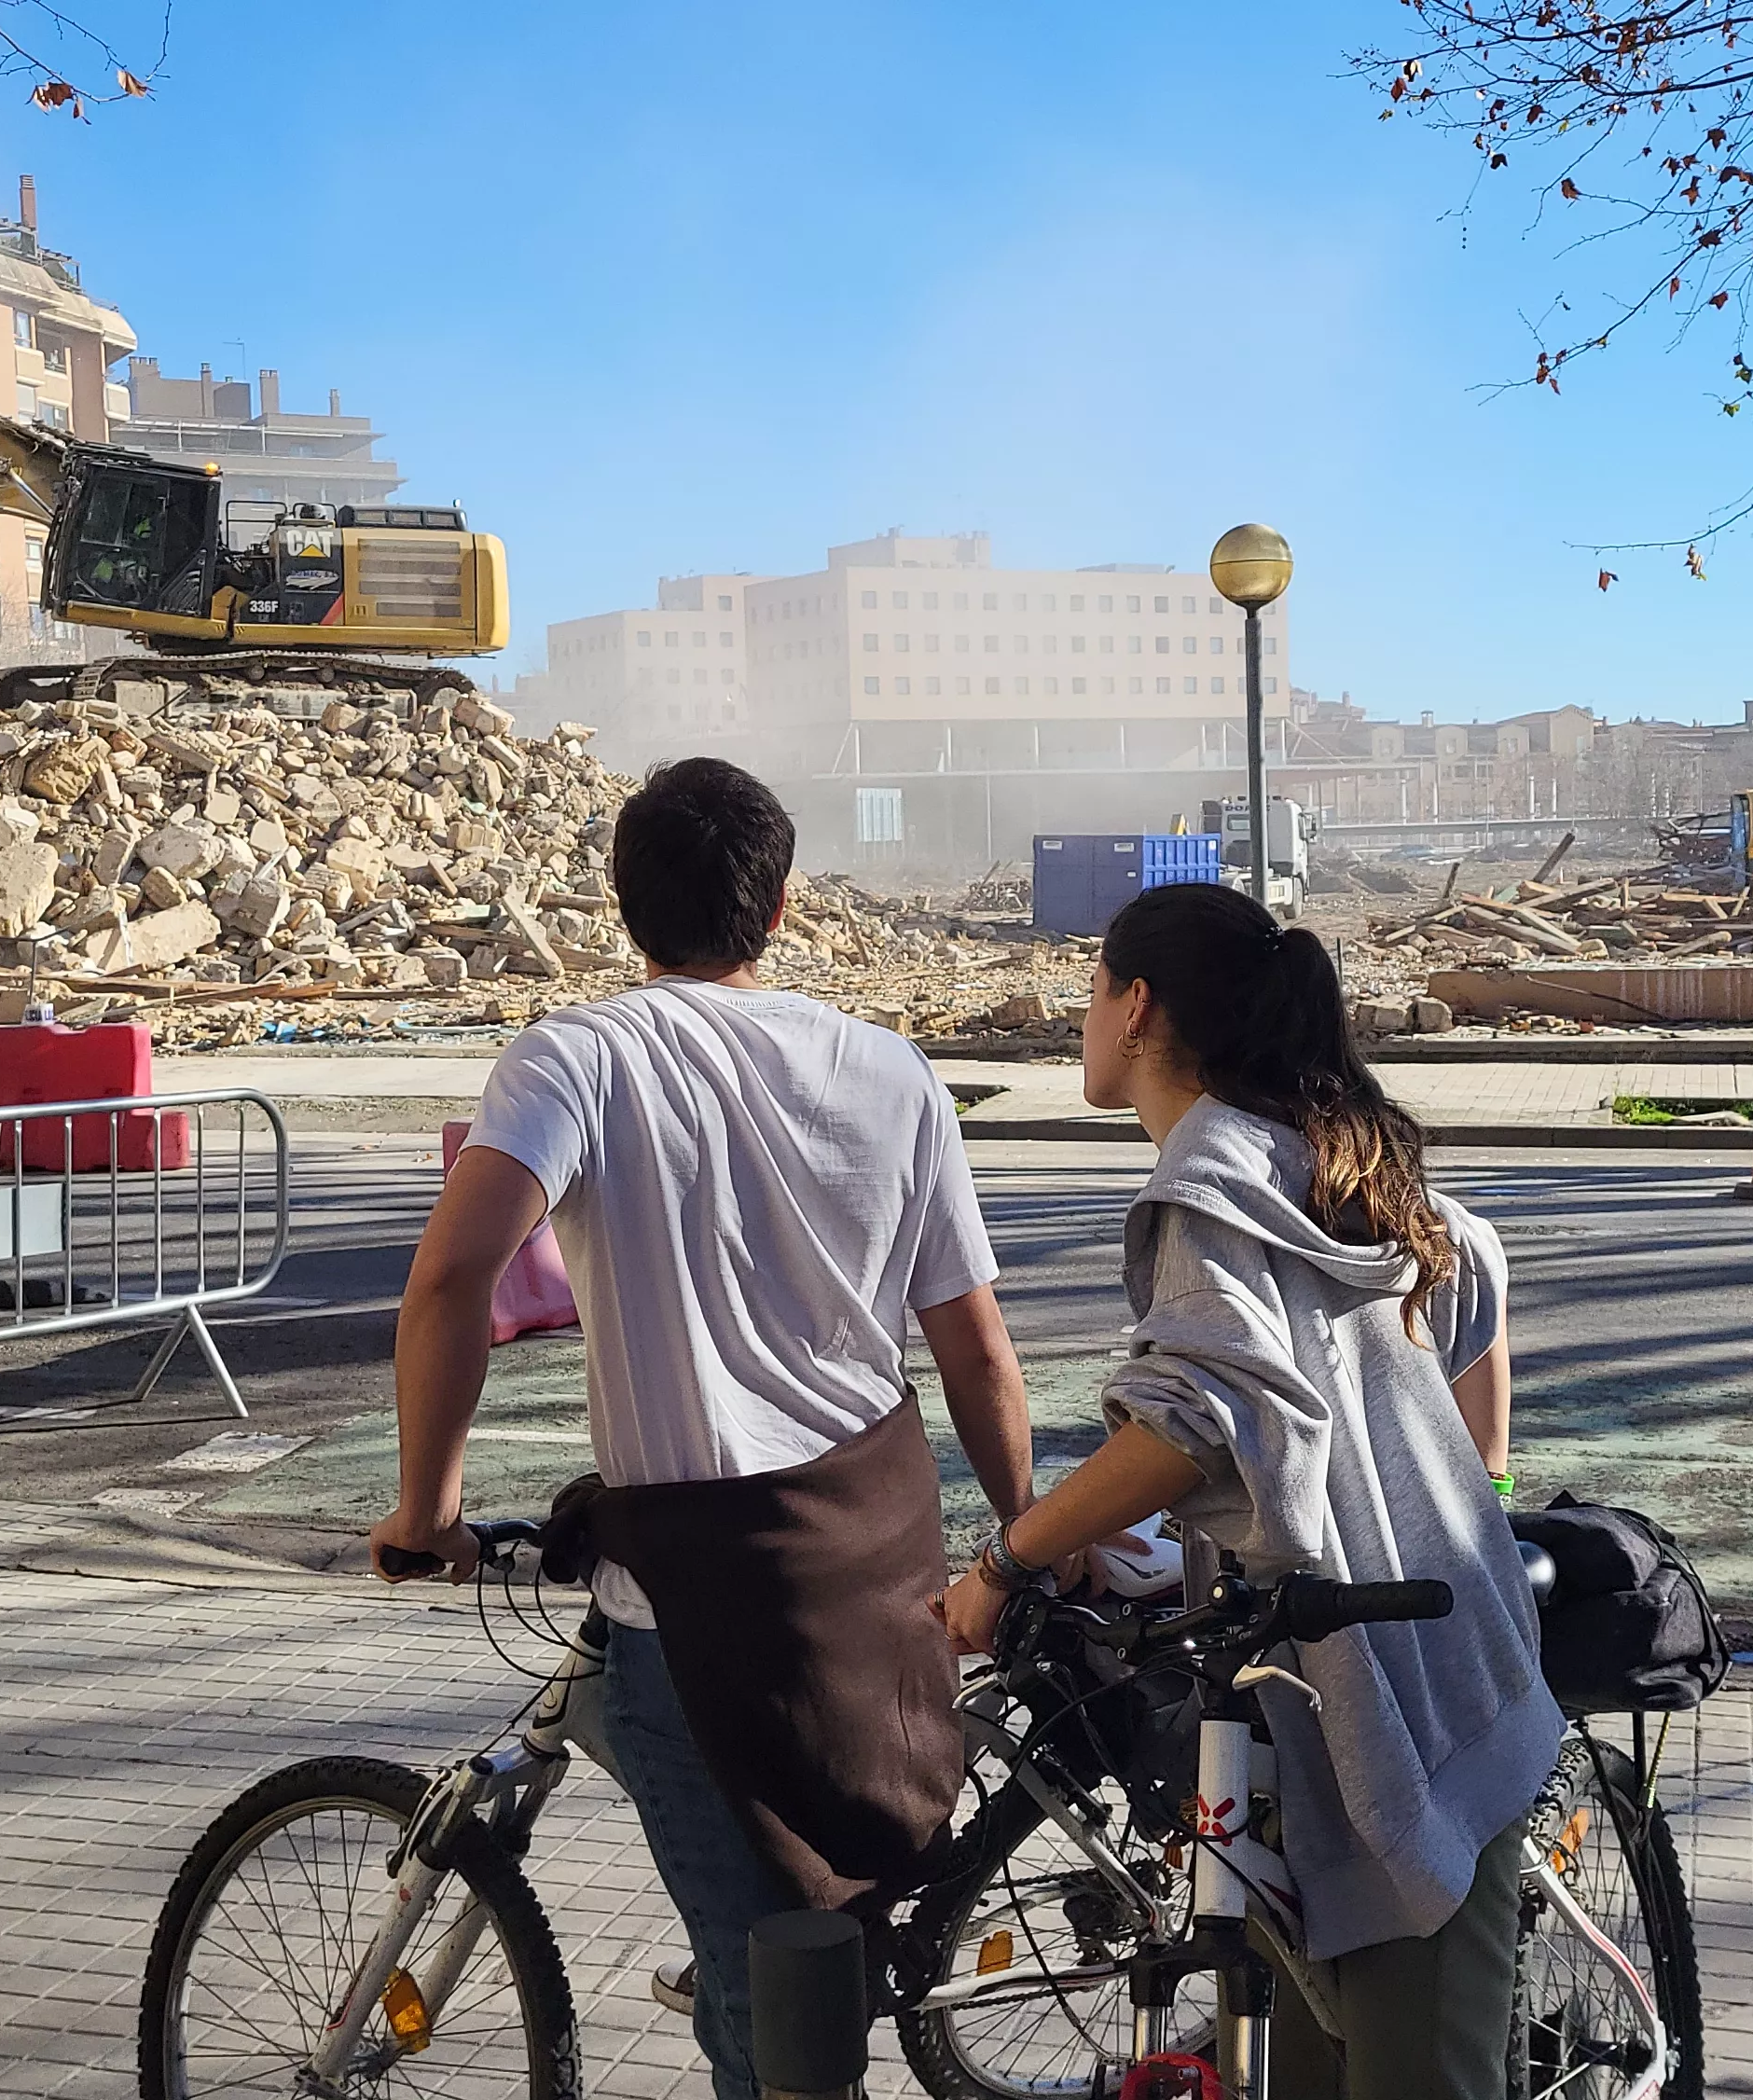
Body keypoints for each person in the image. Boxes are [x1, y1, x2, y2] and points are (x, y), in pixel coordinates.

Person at [371, 756, 1039, 2100]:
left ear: (623, 907)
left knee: (769, 2013)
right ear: (782, 906)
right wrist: (1027, 1538)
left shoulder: (579, 1057)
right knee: (807, 1956)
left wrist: (426, 1509)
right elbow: (974, 1348)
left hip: (702, 1612)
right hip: (878, 1590)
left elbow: (452, 1280)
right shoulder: (892, 1071)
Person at [936, 879, 1559, 2100]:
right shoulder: (1313, 1145)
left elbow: (1194, 1422)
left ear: (1137, 1005)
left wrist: (1005, 1560)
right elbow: (1448, 1288)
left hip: (1398, 1707)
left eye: (1087, 994)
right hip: (1438, 1663)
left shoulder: (1211, 1167)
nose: (1079, 1022)